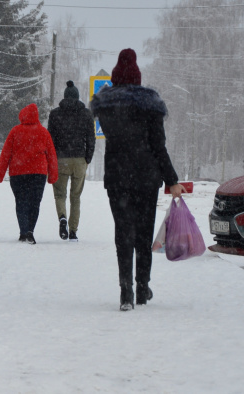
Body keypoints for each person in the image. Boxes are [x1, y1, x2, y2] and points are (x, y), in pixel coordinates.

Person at [90, 48, 186, 311]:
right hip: (146, 178)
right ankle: (142, 287)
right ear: (138, 77)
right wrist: (172, 179)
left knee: (123, 233)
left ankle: (126, 293)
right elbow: (158, 146)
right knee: (144, 234)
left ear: (116, 77)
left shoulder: (106, 106)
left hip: (118, 177)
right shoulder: (150, 106)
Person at [0, 103, 59, 244]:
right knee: (35, 202)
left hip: (18, 173)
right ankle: (30, 231)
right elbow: (51, 155)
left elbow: (6, 154)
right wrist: (53, 175)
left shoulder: (15, 131)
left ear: (22, 116)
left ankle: (23, 231)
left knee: (21, 202)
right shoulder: (43, 132)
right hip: (38, 173)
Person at [47, 81, 96, 242]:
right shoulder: (87, 114)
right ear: (77, 96)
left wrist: (52, 158)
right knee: (76, 197)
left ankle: (62, 218)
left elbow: (50, 139)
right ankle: (73, 231)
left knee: (60, 194)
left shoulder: (55, 114)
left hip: (61, 159)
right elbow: (91, 138)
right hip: (79, 160)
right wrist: (87, 157)